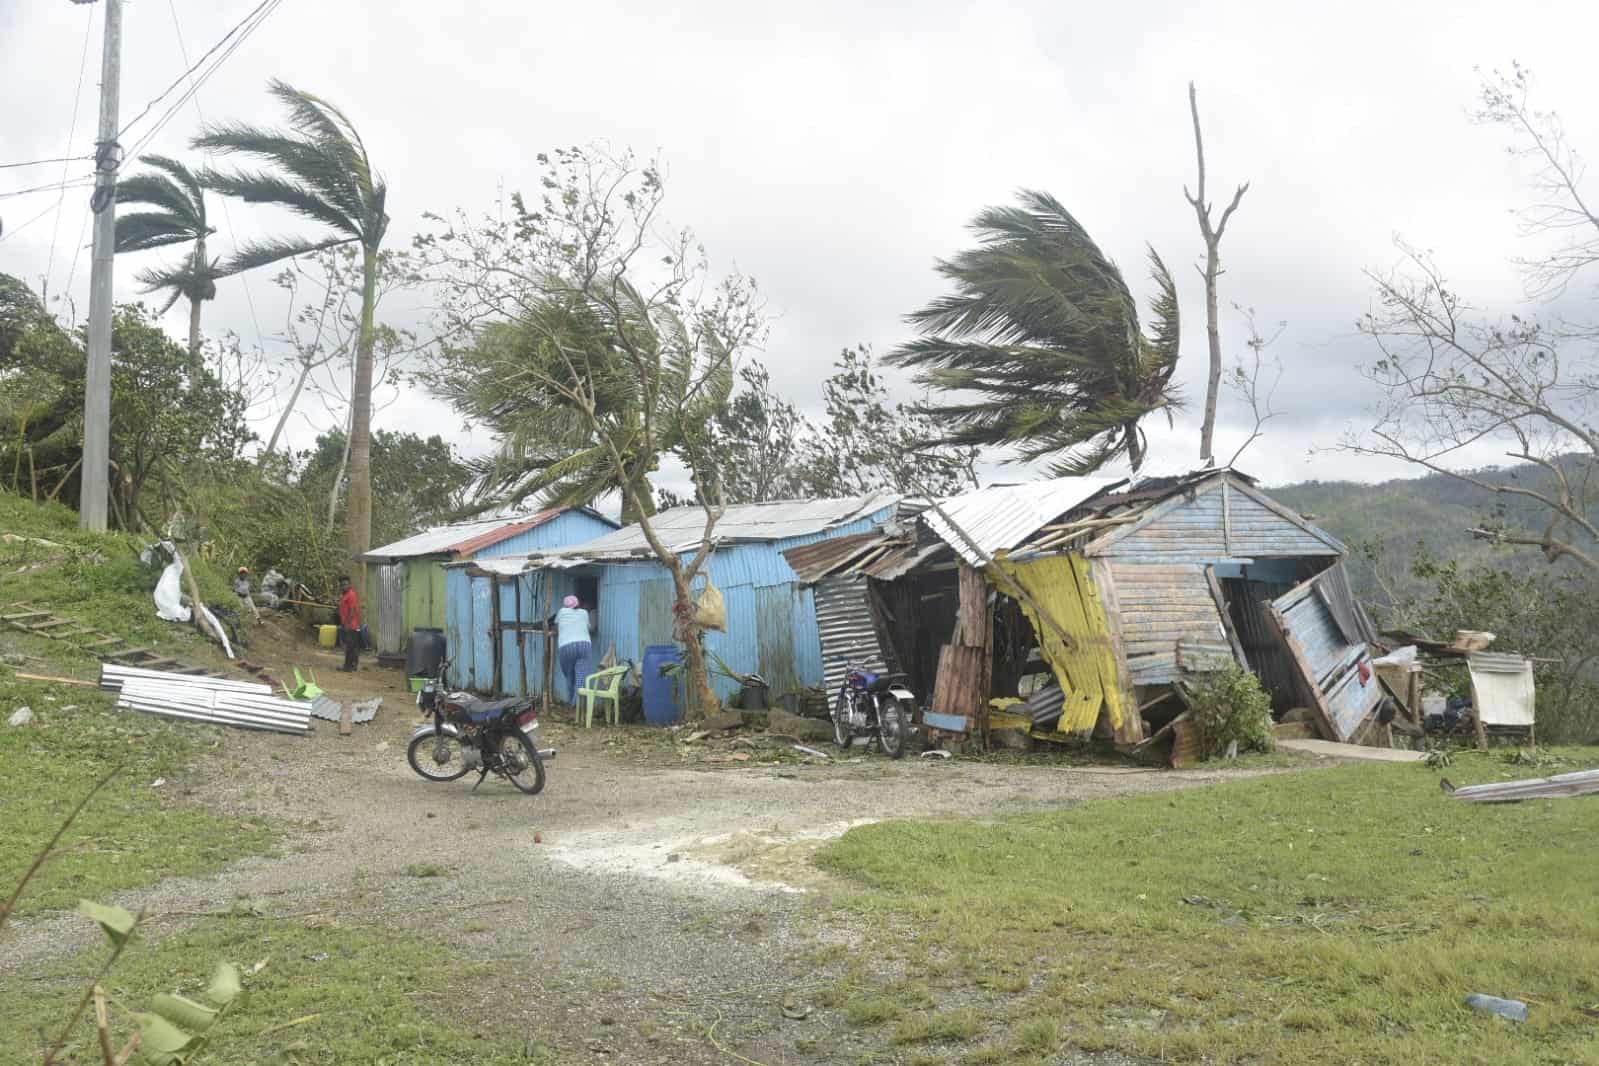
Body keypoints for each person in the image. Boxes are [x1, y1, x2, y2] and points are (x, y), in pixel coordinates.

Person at [555, 594, 594, 705]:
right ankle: (577, 705)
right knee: (582, 676)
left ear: (565, 605)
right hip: (584, 645)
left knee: (569, 675)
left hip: (566, 646)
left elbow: (556, 624)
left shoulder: (562, 612)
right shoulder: (585, 613)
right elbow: (589, 627)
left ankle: (571, 703)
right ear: (578, 604)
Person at [337, 575, 362, 672]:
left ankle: (347, 666)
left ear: (349, 584)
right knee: (353, 646)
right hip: (350, 624)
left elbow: (352, 610)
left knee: (349, 647)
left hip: (351, 625)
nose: (344, 586)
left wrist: (347, 623)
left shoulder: (351, 594)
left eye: (346, 584)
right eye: (342, 585)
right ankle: (353, 665)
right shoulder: (346, 595)